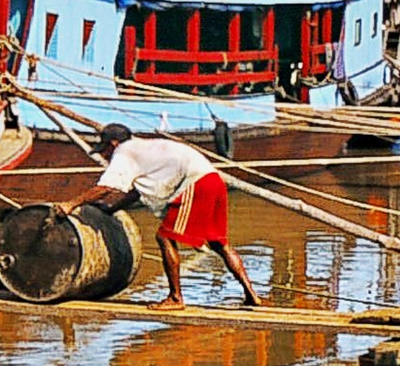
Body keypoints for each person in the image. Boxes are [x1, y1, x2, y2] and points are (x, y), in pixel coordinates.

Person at [57, 123, 260, 310]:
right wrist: (112, 209)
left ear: (114, 144)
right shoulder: (144, 147)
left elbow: (107, 187)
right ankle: (252, 295)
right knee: (219, 244)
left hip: (195, 184)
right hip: (213, 180)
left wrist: (71, 204)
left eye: (105, 151)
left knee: (165, 237)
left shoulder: (124, 152)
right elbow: (136, 191)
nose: (105, 156)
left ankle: (175, 298)